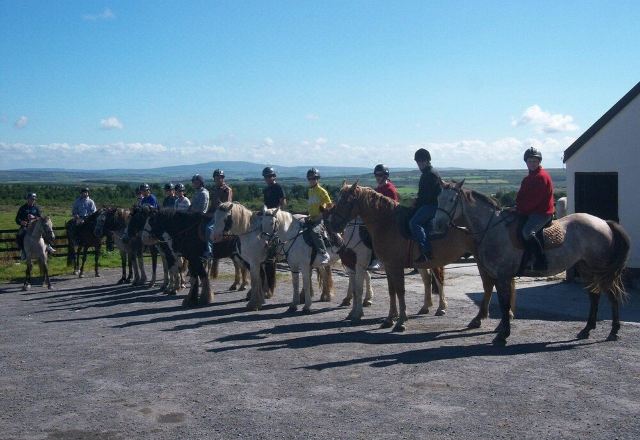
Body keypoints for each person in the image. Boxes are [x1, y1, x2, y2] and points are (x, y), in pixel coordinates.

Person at [515, 147, 555, 271]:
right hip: (529, 211)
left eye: (534, 161)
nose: (532, 163)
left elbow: (535, 200)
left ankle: (541, 260)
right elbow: (521, 196)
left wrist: (521, 209)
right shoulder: (528, 178)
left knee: (527, 232)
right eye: (530, 161)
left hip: (542, 213)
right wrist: (516, 206)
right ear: (526, 162)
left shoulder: (541, 177)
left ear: (539, 162)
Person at [410, 148, 441, 264]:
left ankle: (426, 251)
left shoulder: (429, 175)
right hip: (430, 204)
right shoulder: (429, 173)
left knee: (414, 222)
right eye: (418, 161)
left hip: (432, 206)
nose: (419, 164)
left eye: (421, 161)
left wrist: (415, 203)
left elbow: (427, 197)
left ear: (427, 161)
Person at [368, 164, 399, 270]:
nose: (377, 177)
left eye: (380, 175)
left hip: (389, 220)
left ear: (385, 176)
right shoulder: (378, 189)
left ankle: (379, 259)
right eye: (376, 175)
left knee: (376, 234)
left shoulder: (390, 189)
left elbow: (393, 207)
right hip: (378, 218)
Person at [203, 169, 233, 259]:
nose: (218, 179)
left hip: (221, 215)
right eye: (216, 178)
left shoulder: (227, 190)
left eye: (220, 178)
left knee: (208, 228)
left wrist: (213, 214)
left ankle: (210, 251)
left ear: (223, 178)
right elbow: (212, 205)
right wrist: (206, 213)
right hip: (212, 214)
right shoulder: (214, 189)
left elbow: (226, 206)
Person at [15, 193, 55, 258]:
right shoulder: (22, 208)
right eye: (31, 199)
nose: (33, 200)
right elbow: (17, 219)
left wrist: (34, 217)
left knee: (45, 232)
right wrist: (21, 222)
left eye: (34, 199)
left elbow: (41, 218)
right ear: (27, 199)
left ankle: (48, 246)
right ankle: (23, 251)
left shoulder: (36, 208)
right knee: (19, 235)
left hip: (36, 226)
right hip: (26, 226)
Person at [306, 168, 332, 264]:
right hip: (311, 217)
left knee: (315, 232)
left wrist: (321, 214)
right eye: (309, 179)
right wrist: (309, 215)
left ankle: (324, 253)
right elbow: (311, 206)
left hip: (320, 219)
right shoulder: (310, 191)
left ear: (317, 179)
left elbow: (329, 205)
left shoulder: (322, 191)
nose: (311, 180)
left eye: (313, 178)